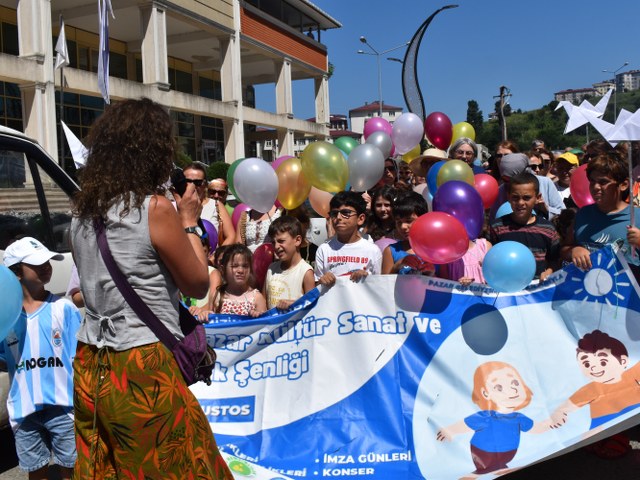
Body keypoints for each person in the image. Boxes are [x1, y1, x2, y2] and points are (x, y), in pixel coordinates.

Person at [70, 98, 233, 479]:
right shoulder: (153, 209)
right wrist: (189, 221)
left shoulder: (82, 213)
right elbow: (197, 283)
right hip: (140, 364)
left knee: (106, 467)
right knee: (174, 465)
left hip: (91, 361)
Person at [0, 237, 81, 480]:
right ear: (16, 273)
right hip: (24, 410)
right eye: (36, 263)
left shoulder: (64, 309)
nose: (46, 266)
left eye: (48, 261)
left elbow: (78, 357)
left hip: (63, 406)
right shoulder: (7, 318)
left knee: (72, 468)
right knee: (36, 471)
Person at [436, 361, 549, 478]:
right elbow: (465, 424)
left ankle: (496, 469)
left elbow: (537, 428)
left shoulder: (519, 418)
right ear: (486, 393)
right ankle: (479, 472)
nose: (512, 390)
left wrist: (549, 424)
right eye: (499, 387)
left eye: (515, 383)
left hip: (508, 454)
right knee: (485, 469)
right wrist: (450, 430)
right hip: (483, 453)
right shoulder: (486, 416)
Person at [569, 149, 640, 279]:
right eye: (592, 181)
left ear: (624, 184)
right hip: (589, 289)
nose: (595, 187)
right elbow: (564, 248)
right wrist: (573, 250)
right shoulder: (582, 214)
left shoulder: (637, 217)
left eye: (603, 182)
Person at [490, 173, 560, 281]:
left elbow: (555, 260)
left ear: (538, 198)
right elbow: (490, 259)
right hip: (507, 286)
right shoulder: (497, 227)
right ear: (508, 197)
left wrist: (549, 272)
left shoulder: (548, 229)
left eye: (526, 198)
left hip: (537, 288)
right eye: (515, 197)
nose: (520, 202)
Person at [315, 191, 382, 287]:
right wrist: (322, 281)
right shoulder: (324, 249)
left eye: (346, 213)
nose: (338, 217)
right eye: (334, 213)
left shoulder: (373, 251)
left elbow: (379, 286)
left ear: (360, 219)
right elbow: (316, 287)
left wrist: (367, 279)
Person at [489, 153, 565, 223]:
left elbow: (563, 213)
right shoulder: (500, 191)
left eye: (514, 181)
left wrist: (546, 209)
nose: (510, 185)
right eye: (505, 180)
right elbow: (493, 219)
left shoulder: (545, 183)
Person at [264, 216, 315, 310]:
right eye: (273, 242)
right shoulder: (271, 269)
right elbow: (264, 301)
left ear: (297, 240)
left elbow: (311, 307)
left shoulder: (305, 272)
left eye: (281, 241)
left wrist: (294, 304)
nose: (276, 246)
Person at [381, 191, 435, 275]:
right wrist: (397, 266)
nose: (403, 226)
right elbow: (383, 281)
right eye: (398, 222)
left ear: (423, 218)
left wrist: (432, 273)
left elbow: (448, 280)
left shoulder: (437, 249)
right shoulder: (391, 251)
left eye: (409, 220)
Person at [184, 163, 235, 246]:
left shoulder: (216, 206)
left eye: (198, 182)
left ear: (205, 185)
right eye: (188, 181)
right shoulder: (171, 206)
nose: (192, 186)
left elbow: (231, 236)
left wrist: (218, 253)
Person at [211, 243, 267, 316]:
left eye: (245, 266)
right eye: (235, 266)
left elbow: (265, 322)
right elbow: (210, 317)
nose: (240, 270)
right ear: (223, 269)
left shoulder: (256, 298)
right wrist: (205, 314)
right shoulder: (217, 295)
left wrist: (258, 316)